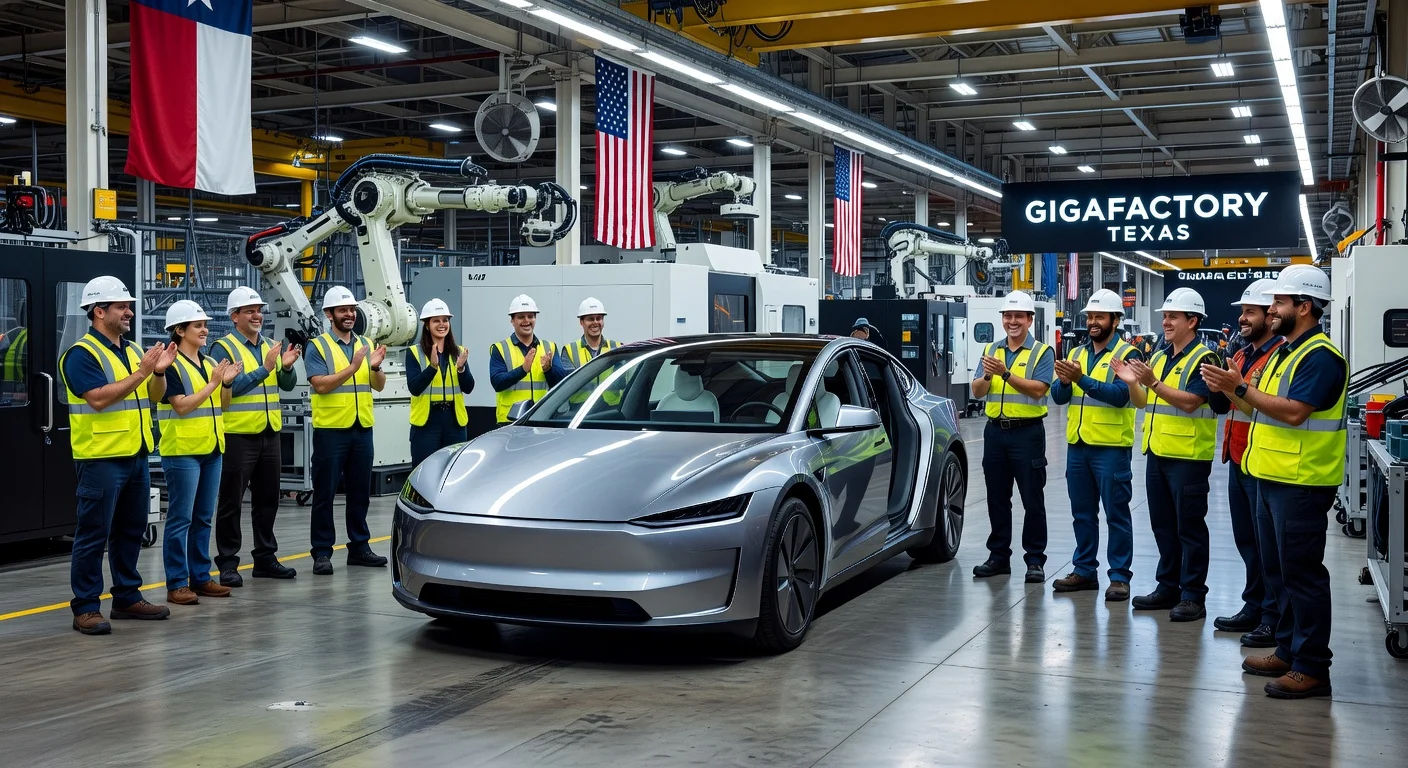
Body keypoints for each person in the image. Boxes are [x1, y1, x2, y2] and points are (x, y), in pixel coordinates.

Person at [1203, 265, 1346, 700]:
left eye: (1279, 303)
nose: (1272, 309)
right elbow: (1260, 410)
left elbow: (1294, 412)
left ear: (1304, 307)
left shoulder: (1320, 356)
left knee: (1303, 576)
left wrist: (1241, 388)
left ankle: (1312, 667)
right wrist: (1230, 389)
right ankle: (1287, 648)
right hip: (1270, 474)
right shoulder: (1286, 351)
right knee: (1279, 571)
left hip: (1302, 482)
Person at [60, 276, 177, 634]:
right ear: (99, 311)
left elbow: (154, 396)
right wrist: (143, 371)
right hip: (101, 457)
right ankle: (86, 607)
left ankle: (127, 597)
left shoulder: (131, 350)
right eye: (121, 306)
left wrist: (156, 373)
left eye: (129, 306)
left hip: (137, 453)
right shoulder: (81, 354)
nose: (129, 312)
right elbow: (97, 398)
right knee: (94, 533)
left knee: (130, 530)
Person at [1113, 287, 1223, 622]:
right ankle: (1168, 586)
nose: (1166, 322)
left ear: (1193, 321)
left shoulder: (1205, 358)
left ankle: (1193, 595)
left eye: (1173, 316)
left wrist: (1153, 382)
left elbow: (1192, 402)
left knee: (1189, 528)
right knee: (1163, 525)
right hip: (1158, 454)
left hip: (1188, 457)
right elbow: (1143, 401)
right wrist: (1133, 381)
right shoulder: (1159, 356)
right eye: (1165, 316)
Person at [1050, 289, 1142, 601]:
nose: (1092, 322)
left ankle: (1118, 577)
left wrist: (1081, 380)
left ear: (1115, 320)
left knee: (1116, 514)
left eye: (1099, 317)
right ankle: (1085, 570)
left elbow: (1120, 397)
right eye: (1090, 316)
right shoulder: (1076, 354)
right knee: (1082, 513)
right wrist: (1064, 382)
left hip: (1111, 448)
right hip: (1078, 446)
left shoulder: (1128, 355)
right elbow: (1059, 398)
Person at [1208, 279, 1285, 646]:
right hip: (1237, 458)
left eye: (1250, 312)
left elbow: (1263, 408)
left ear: (1271, 316)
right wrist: (1218, 387)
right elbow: (1224, 409)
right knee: (1246, 541)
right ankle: (1254, 605)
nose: (1242, 318)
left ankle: (1272, 617)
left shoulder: (1277, 358)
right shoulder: (1240, 355)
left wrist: (1234, 387)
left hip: (1260, 460)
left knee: (1266, 546)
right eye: (1242, 311)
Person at [210, 286, 300, 586]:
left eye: (259, 310)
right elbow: (229, 390)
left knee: (267, 500)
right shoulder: (222, 349)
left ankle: (265, 557)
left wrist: (285, 368)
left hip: (269, 432)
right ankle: (227, 562)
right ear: (234, 316)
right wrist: (265, 369)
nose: (257, 315)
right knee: (231, 502)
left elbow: (286, 385)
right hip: (238, 435)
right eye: (249, 311)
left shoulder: (270, 346)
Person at [157, 300, 238, 605]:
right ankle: (177, 582)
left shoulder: (207, 364)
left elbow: (223, 404)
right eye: (198, 326)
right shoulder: (171, 365)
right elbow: (181, 405)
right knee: (181, 519)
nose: (205, 330)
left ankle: (200, 577)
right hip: (183, 452)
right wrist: (215, 383)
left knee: (203, 517)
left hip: (212, 448)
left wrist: (225, 384)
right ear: (179, 330)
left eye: (204, 325)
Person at [970, 290, 1054, 583]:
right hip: (995, 433)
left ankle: (1034, 560)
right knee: (996, 497)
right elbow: (977, 391)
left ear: (1030, 320)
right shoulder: (992, 350)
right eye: (1008, 316)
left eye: (1019, 316)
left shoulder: (1043, 352)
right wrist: (988, 376)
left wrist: (1005, 374)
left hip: (1027, 434)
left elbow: (1039, 389)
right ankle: (998, 556)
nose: (1013, 321)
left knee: (1032, 498)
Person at [304, 285, 388, 575]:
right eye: (343, 310)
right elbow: (320, 384)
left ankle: (360, 547)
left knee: (360, 493)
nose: (350, 314)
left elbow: (378, 385)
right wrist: (353, 367)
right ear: (329, 314)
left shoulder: (365, 343)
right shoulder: (317, 346)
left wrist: (375, 368)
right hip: (331, 431)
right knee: (325, 494)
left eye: (352, 309)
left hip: (361, 427)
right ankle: (322, 552)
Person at [407, 298, 473, 467]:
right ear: (427, 325)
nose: (442, 324)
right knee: (424, 469)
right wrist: (432, 367)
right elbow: (414, 388)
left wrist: (461, 369)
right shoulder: (415, 352)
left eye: (445, 320)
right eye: (436, 320)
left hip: (454, 421)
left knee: (453, 469)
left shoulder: (458, 352)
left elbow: (469, 387)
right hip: (427, 423)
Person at [489, 294, 570, 423]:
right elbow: (497, 383)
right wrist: (522, 370)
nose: (527, 321)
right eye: (521, 317)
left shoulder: (549, 347)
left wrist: (549, 370)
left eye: (531, 316)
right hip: (511, 420)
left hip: (542, 418)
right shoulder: (500, 348)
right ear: (512, 320)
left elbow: (561, 383)